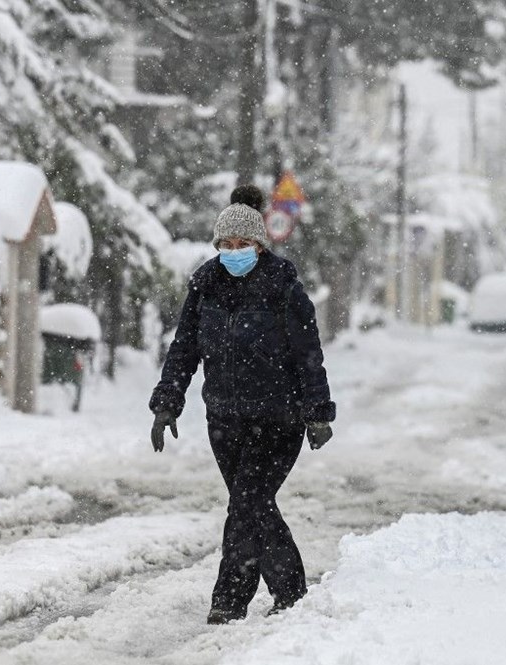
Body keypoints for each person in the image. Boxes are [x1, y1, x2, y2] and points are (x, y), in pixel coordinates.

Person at [148, 184, 336, 625]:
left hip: (278, 419)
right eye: (227, 245)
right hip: (225, 421)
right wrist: (166, 403)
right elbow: (184, 350)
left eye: (244, 244)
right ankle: (269, 595)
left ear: (259, 244)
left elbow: (309, 354)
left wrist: (317, 413)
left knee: (249, 501)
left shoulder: (284, 288)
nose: (235, 252)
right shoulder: (205, 286)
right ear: (217, 246)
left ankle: (244, 598)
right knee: (247, 505)